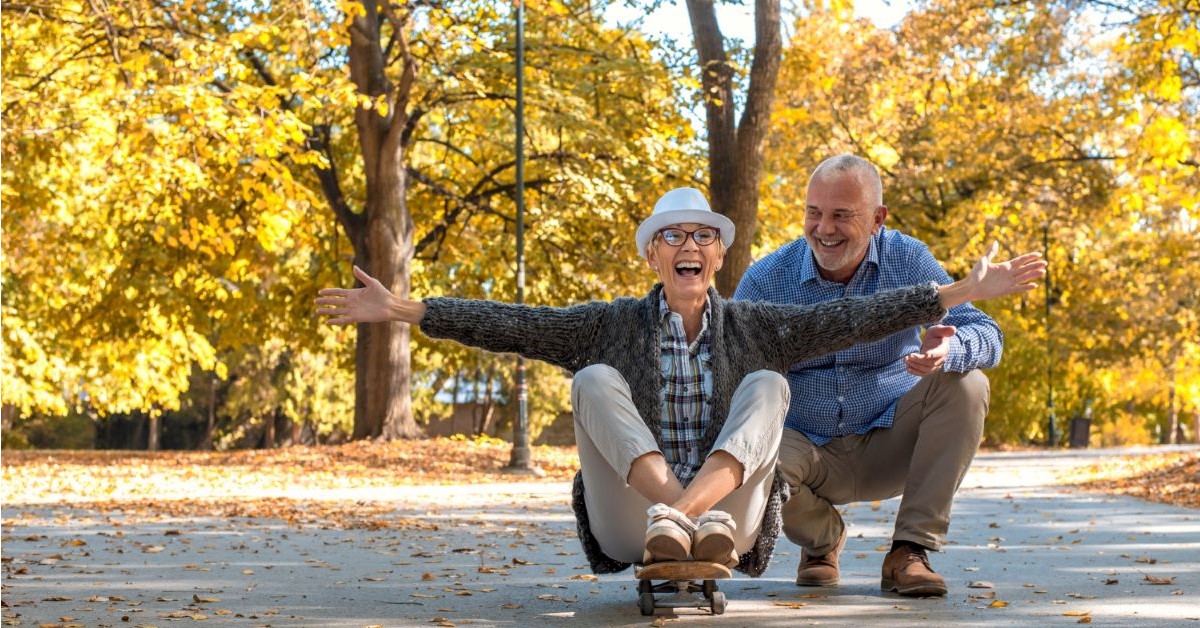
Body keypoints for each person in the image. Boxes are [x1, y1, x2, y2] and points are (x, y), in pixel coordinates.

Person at [316, 186, 1045, 578]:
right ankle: (677, 513)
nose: (688, 246)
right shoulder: (609, 324)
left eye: (702, 236)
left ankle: (696, 517)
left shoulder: (758, 324)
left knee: (767, 386)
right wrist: (405, 309)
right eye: (672, 236)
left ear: (719, 257)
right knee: (595, 378)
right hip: (635, 517)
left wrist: (951, 293)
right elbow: (512, 323)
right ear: (652, 258)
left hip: (731, 521)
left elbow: (862, 316)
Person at [734, 154, 1019, 596]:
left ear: (877, 219)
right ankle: (822, 539)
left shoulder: (907, 259)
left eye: (842, 215)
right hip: (804, 446)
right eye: (814, 213)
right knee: (744, 452)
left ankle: (909, 551)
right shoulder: (767, 279)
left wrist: (950, 349)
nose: (824, 228)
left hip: (890, 438)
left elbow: (987, 334)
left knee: (969, 382)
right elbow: (732, 372)